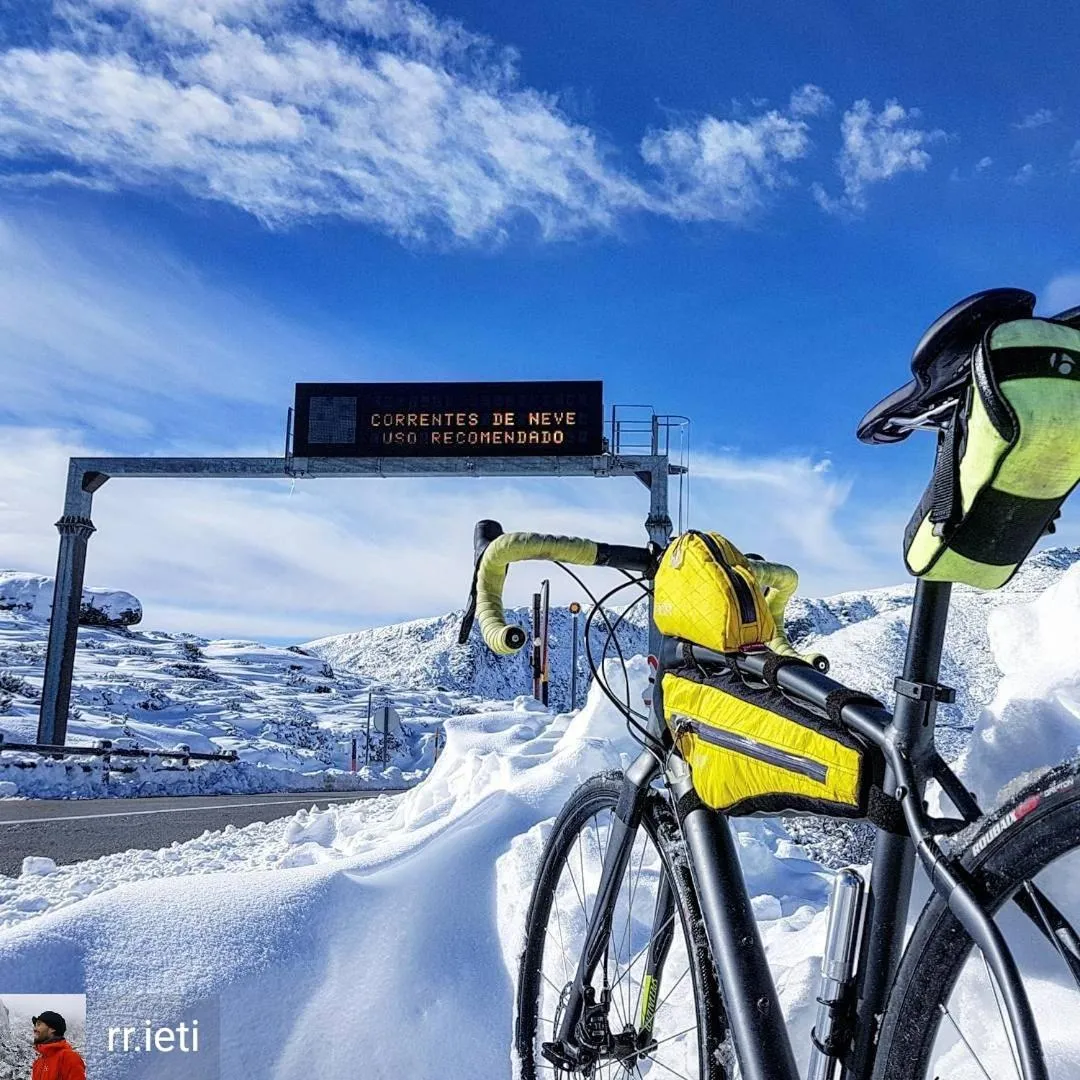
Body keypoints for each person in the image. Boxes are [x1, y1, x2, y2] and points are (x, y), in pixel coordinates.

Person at [30, 1011, 85, 1080]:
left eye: (39, 1024)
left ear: (52, 1029)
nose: (34, 1029)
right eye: (35, 1025)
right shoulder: (38, 1062)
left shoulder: (69, 1058)